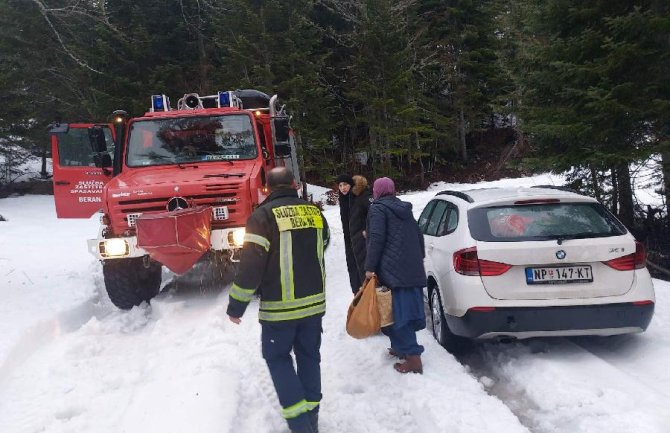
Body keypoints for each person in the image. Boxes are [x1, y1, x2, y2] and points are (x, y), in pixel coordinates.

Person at [227, 167, 330, 433]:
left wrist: (236, 306)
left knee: (278, 358)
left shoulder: (261, 217)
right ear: (294, 184)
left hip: (280, 310)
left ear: (267, 188)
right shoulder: (314, 212)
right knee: (309, 356)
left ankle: (300, 426)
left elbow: (250, 267)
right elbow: (325, 241)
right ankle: (312, 419)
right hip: (313, 305)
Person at [364, 177, 427, 374]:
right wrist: (419, 259)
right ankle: (401, 348)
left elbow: (376, 239)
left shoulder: (377, 209)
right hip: (410, 268)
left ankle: (413, 359)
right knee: (399, 311)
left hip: (392, 271)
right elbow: (418, 236)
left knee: (398, 313)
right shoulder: (404, 208)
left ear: (377, 191)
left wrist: (369, 266)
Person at [336, 174, 360, 293]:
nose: (343, 188)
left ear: (351, 185)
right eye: (340, 185)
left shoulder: (357, 198)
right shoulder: (343, 200)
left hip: (360, 239)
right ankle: (357, 296)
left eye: (345, 184)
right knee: (352, 267)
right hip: (349, 239)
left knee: (361, 268)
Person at [348, 175, 372, 287]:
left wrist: (366, 230)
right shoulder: (357, 197)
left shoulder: (364, 198)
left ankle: (368, 300)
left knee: (365, 272)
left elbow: (372, 215)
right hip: (358, 239)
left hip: (362, 239)